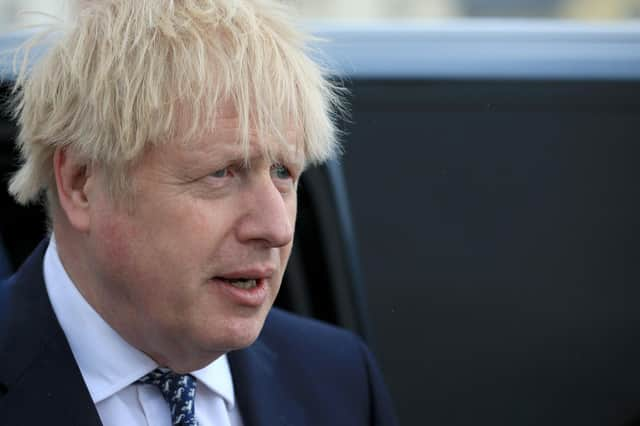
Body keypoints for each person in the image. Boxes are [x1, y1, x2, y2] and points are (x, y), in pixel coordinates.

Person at [0, 0, 398, 425]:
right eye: (222, 173)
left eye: (284, 172)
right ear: (81, 183)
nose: (277, 228)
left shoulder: (340, 380)